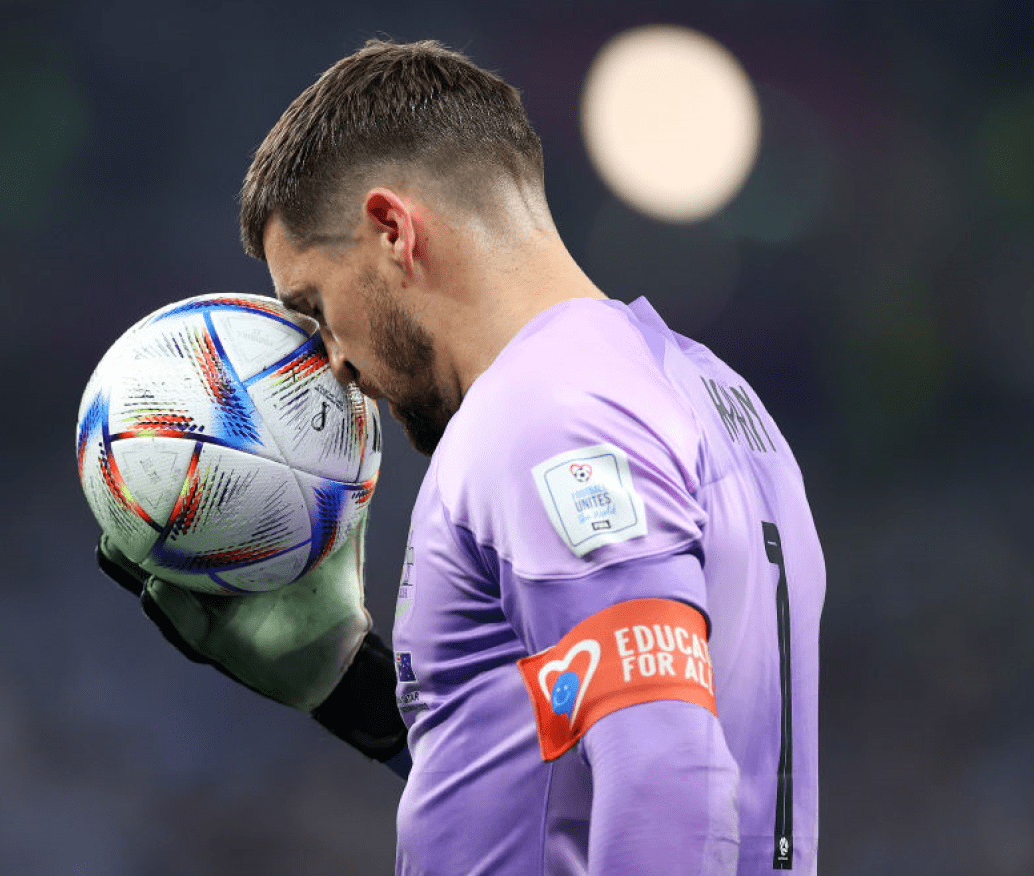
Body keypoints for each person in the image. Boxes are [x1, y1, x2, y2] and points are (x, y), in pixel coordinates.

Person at [98, 39, 824, 875]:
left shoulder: (546, 414)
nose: (330, 358)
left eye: (315, 305)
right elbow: (576, 776)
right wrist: (350, 689)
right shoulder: (714, 398)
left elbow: (665, 775)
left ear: (392, 231)